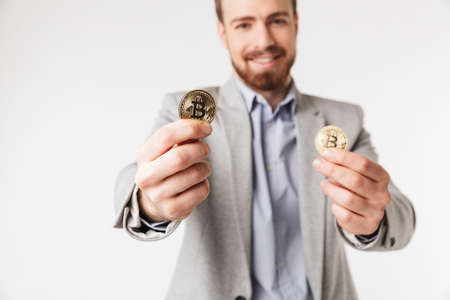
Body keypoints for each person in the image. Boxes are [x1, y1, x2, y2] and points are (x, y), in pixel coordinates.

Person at [113, 0, 416, 299]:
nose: (264, 41)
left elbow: (400, 214)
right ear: (223, 33)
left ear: (295, 23)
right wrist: (149, 203)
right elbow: (134, 179)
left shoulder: (345, 119)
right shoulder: (184, 112)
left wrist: (372, 219)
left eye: (277, 20)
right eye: (244, 24)